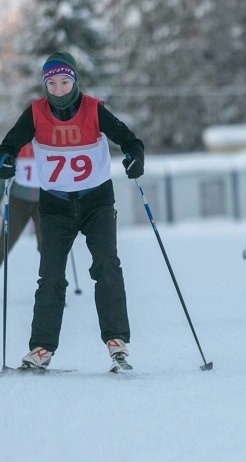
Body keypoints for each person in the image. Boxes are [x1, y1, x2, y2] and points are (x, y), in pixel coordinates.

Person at [0, 51, 145, 370]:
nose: (59, 89)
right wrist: (6, 158)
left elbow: (130, 140)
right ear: (45, 85)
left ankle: (116, 340)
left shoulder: (94, 108)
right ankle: (41, 348)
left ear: (74, 81)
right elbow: (9, 145)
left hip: (97, 203)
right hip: (55, 206)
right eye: (52, 83)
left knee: (106, 265)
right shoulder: (35, 112)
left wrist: (135, 156)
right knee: (50, 275)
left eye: (65, 81)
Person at [0, 143, 42, 266]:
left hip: (44, 201)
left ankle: (52, 281)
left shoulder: (48, 137)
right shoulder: (19, 139)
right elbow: (4, 170)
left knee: (48, 244)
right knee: (5, 242)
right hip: (19, 200)